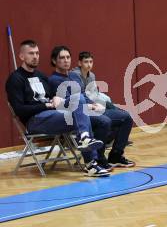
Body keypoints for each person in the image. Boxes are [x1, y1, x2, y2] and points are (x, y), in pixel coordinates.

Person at [5, 40, 109, 177]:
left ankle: (85, 143)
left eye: (37, 53)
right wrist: (46, 105)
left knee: (79, 100)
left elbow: (52, 98)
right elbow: (20, 110)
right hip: (35, 120)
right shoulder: (15, 79)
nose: (35, 56)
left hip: (53, 114)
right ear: (22, 57)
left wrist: (55, 99)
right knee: (80, 113)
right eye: (31, 53)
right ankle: (90, 161)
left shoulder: (41, 76)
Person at [48, 46, 135, 170]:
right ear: (54, 61)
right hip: (76, 116)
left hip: (89, 109)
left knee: (126, 117)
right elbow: (66, 103)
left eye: (68, 57)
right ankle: (98, 158)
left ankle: (116, 155)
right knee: (104, 121)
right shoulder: (54, 80)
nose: (66, 60)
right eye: (62, 58)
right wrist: (87, 105)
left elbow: (83, 94)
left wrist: (93, 104)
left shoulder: (73, 76)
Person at [71, 51, 134, 147]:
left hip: (92, 97)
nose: (89, 65)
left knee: (109, 102)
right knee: (109, 108)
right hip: (84, 103)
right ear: (80, 63)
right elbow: (80, 94)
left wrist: (98, 100)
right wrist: (94, 102)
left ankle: (114, 135)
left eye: (91, 62)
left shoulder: (91, 75)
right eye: (86, 62)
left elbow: (94, 91)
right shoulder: (75, 74)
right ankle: (111, 136)